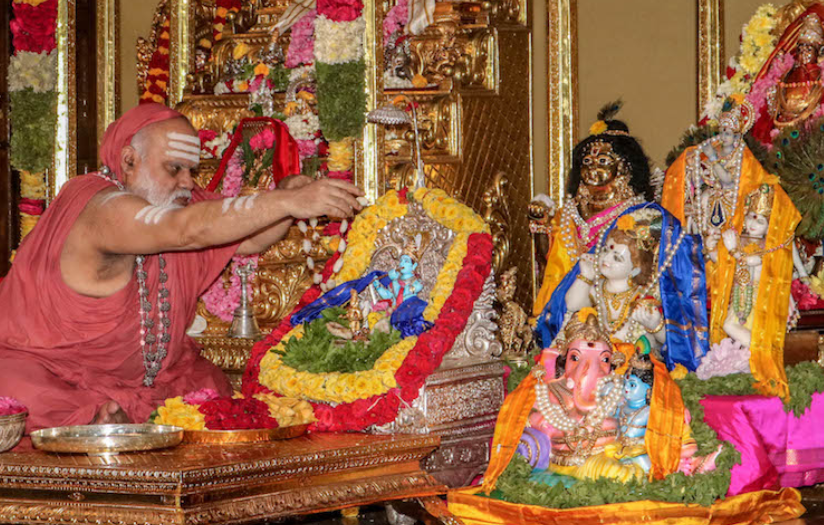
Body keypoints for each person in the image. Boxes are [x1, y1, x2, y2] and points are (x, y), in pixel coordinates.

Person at [0, 103, 363, 432]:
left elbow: (250, 237)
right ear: (128, 162)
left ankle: (117, 421)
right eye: (174, 169)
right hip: (59, 376)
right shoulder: (98, 204)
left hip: (151, 382)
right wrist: (287, 201)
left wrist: (289, 196)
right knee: (17, 389)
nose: (187, 183)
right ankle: (99, 420)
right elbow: (187, 231)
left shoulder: (175, 204)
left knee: (210, 389)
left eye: (191, 170)